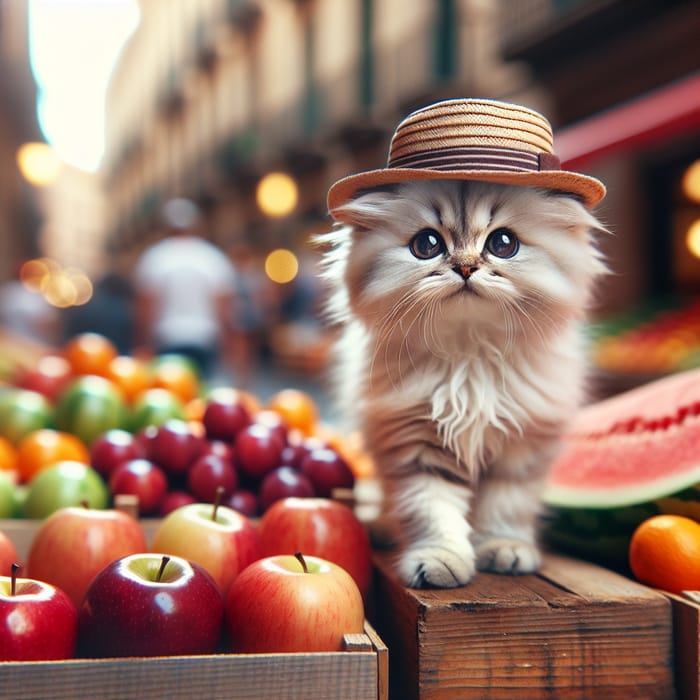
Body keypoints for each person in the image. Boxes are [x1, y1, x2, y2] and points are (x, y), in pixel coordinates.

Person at [133, 198, 236, 379]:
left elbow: (146, 306)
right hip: (204, 338)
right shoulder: (211, 257)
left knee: (171, 393)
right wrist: (226, 341)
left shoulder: (155, 258)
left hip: (167, 338)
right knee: (201, 392)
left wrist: (143, 343)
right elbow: (223, 305)